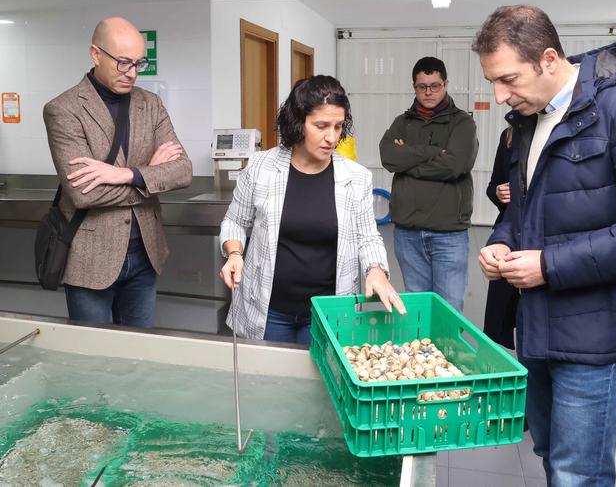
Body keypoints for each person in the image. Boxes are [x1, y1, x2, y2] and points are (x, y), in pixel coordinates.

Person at [472, 5, 616, 486]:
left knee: (578, 473)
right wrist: (501, 242)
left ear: (549, 59)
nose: (499, 95)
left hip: (599, 333)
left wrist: (549, 265)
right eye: (493, 81)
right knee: (553, 453)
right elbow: (523, 208)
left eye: (508, 78)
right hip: (537, 324)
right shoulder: (528, 122)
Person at [219, 75, 405, 344]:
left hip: (327, 310)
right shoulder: (261, 168)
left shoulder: (356, 177)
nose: (332, 138)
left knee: (319, 382)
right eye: (321, 126)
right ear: (298, 122)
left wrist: (375, 269)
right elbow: (235, 221)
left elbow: (368, 236)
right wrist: (235, 253)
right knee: (267, 381)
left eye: (338, 127)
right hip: (269, 309)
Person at [43, 17, 192, 328]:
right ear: (96, 54)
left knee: (139, 356)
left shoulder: (150, 104)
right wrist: (151, 174)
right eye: (123, 63)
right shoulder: (64, 109)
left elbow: (183, 171)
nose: (133, 73)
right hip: (91, 259)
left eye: (139, 63)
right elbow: (85, 194)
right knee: (95, 361)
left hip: (146, 255)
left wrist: (125, 174)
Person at [379, 57, 478, 312]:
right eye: (422, 86)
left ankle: (447, 353)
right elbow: (389, 157)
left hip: (449, 234)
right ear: (414, 87)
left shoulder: (462, 123)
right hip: (407, 233)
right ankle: (422, 353)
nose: (428, 92)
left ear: (445, 84)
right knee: (417, 306)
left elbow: (456, 165)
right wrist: (435, 152)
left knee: (449, 308)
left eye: (435, 85)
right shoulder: (402, 122)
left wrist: (409, 158)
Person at [482, 127, 518, 349]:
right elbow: (492, 186)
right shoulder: (508, 136)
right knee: (501, 321)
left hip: (540, 243)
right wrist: (499, 192)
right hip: (509, 237)